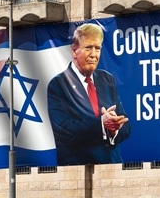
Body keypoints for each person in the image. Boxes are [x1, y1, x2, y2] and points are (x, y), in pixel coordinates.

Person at [47, 22, 131, 165]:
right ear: (74, 51)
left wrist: (114, 128)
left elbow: (126, 125)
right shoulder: (58, 85)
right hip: (77, 170)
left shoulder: (107, 79)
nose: (94, 54)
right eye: (88, 48)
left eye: (97, 48)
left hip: (112, 167)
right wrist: (102, 124)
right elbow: (66, 130)